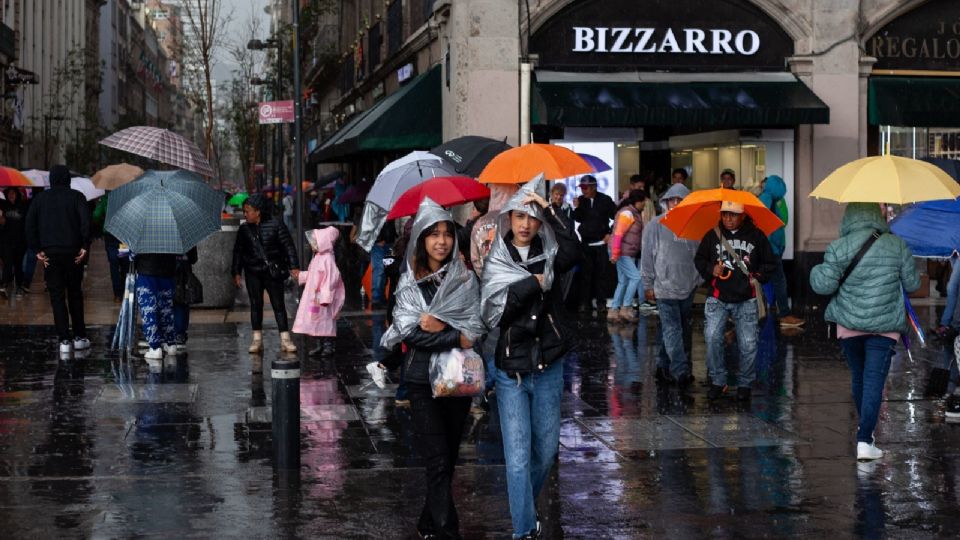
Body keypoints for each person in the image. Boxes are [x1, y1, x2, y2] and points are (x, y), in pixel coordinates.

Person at [480, 177, 583, 539]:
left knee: (547, 451)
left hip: (549, 365)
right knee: (519, 458)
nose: (525, 224)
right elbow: (494, 313)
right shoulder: (497, 256)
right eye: (519, 216)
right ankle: (524, 529)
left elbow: (575, 250)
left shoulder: (551, 251)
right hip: (511, 369)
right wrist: (531, 284)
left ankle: (526, 508)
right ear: (509, 218)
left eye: (532, 216)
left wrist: (552, 208)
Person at [378, 198, 485, 539]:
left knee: (448, 459)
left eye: (448, 234)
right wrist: (452, 335)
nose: (442, 241)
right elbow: (407, 332)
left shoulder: (464, 279)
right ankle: (447, 531)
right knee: (437, 460)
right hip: (422, 381)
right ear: (421, 240)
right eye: (433, 234)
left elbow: (476, 327)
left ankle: (427, 521)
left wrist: (444, 329)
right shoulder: (409, 281)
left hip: (458, 381)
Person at [810, 203, 920, 461]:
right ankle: (864, 439)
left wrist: (816, 270)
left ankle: (866, 436)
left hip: (849, 325)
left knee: (860, 378)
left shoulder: (839, 246)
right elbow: (913, 284)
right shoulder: (897, 245)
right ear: (876, 216)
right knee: (873, 381)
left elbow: (822, 286)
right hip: (885, 327)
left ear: (849, 217)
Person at [694, 201, 776, 401]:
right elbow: (699, 259)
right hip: (717, 297)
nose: (727, 219)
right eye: (724, 215)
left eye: (732, 215)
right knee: (712, 338)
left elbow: (770, 263)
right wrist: (711, 269)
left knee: (748, 344)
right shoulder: (712, 235)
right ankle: (718, 381)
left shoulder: (756, 236)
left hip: (746, 299)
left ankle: (745, 383)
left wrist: (756, 276)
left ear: (742, 215)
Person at [24, 165, 91, 355]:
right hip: (73, 252)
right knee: (75, 293)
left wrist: (37, 249)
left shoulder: (40, 199)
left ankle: (64, 339)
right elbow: (86, 222)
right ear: (68, 179)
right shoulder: (77, 197)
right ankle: (79, 336)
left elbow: (30, 225)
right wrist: (84, 245)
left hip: (50, 253)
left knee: (57, 296)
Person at [641, 184, 701, 389]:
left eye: (680, 200)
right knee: (673, 329)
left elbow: (699, 255)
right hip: (664, 287)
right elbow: (647, 257)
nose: (676, 203)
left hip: (687, 285)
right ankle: (680, 370)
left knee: (679, 329)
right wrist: (647, 284)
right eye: (672, 200)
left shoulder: (695, 226)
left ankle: (661, 366)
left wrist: (698, 280)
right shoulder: (655, 225)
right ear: (666, 202)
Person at [232, 194, 301, 354]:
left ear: (258, 211)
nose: (245, 214)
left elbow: (288, 246)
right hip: (252, 272)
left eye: (248, 211)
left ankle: (285, 339)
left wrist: (294, 266)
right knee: (256, 305)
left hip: (272, 271)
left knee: (279, 305)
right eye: (244, 211)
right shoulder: (244, 230)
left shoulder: (276, 225)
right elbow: (238, 252)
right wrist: (236, 271)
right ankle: (257, 340)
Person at [757, 175, 804, 328]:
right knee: (779, 281)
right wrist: (775, 247)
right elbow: (767, 227)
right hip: (770, 249)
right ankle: (784, 314)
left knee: (766, 280)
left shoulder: (765, 198)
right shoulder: (768, 200)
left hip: (769, 248)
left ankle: (748, 313)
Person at [293, 227, 345, 356]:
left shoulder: (327, 259)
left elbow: (331, 279)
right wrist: (301, 276)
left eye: (315, 243)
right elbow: (313, 274)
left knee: (326, 319)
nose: (313, 246)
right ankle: (319, 343)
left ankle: (328, 345)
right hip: (315, 299)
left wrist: (326, 297)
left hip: (322, 298)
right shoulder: (318, 257)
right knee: (315, 319)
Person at [573, 174, 616, 316]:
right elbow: (578, 219)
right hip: (586, 243)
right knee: (585, 275)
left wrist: (610, 232)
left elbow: (616, 217)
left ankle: (601, 304)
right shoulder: (581, 200)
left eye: (586, 187)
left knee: (601, 275)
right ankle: (584, 303)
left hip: (600, 243)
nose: (583, 191)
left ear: (593, 187)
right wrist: (577, 208)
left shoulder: (605, 200)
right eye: (582, 188)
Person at [133, 250, 181, 363]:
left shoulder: (145, 232)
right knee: (166, 309)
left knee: (149, 310)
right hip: (168, 270)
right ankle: (170, 343)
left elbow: (133, 254)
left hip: (146, 270)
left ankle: (155, 347)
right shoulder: (170, 232)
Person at [608, 189, 647, 323]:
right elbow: (618, 234)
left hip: (625, 251)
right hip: (622, 252)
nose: (644, 205)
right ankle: (625, 307)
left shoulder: (634, 213)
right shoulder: (627, 213)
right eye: (643, 202)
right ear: (638, 202)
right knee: (636, 277)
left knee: (623, 281)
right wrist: (615, 253)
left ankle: (614, 310)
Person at [0, 187, 28, 296]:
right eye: (9, 193)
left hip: (20, 241)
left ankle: (19, 286)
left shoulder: (23, 206)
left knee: (18, 265)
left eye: (13, 193)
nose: (11, 195)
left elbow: (26, 224)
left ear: (17, 194)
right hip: (6, 241)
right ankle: (5, 285)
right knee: (7, 263)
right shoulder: (3, 206)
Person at [172, 247, 199, 353]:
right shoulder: (186, 236)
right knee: (182, 303)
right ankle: (180, 334)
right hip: (184, 274)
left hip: (170, 272)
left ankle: (175, 333)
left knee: (174, 304)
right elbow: (193, 258)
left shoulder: (163, 236)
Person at [370, 219, 397, 308]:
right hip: (381, 243)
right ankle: (377, 298)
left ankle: (379, 297)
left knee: (383, 271)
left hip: (387, 242)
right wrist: (380, 239)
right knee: (380, 271)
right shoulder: (379, 208)